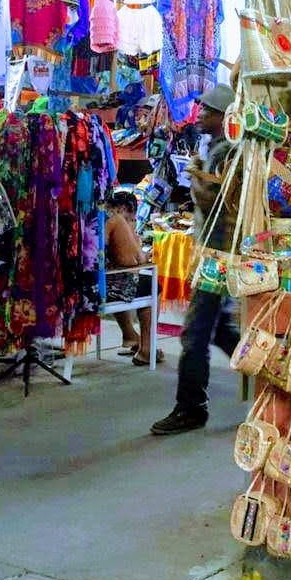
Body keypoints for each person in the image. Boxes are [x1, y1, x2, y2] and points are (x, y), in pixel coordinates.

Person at [150, 84, 240, 435]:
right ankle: (267, 375)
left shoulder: (226, 152)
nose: (200, 115)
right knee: (217, 329)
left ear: (222, 117)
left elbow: (218, 203)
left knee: (195, 333)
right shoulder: (217, 149)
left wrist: (197, 178)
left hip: (217, 255)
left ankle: (190, 407)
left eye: (207, 111)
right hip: (213, 251)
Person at [103, 190, 160, 364]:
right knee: (151, 284)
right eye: (131, 218)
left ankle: (130, 335)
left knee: (131, 280)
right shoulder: (116, 220)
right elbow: (132, 261)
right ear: (121, 209)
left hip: (91, 284)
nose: (131, 222)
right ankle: (146, 349)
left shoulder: (95, 217)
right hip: (105, 288)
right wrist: (134, 243)